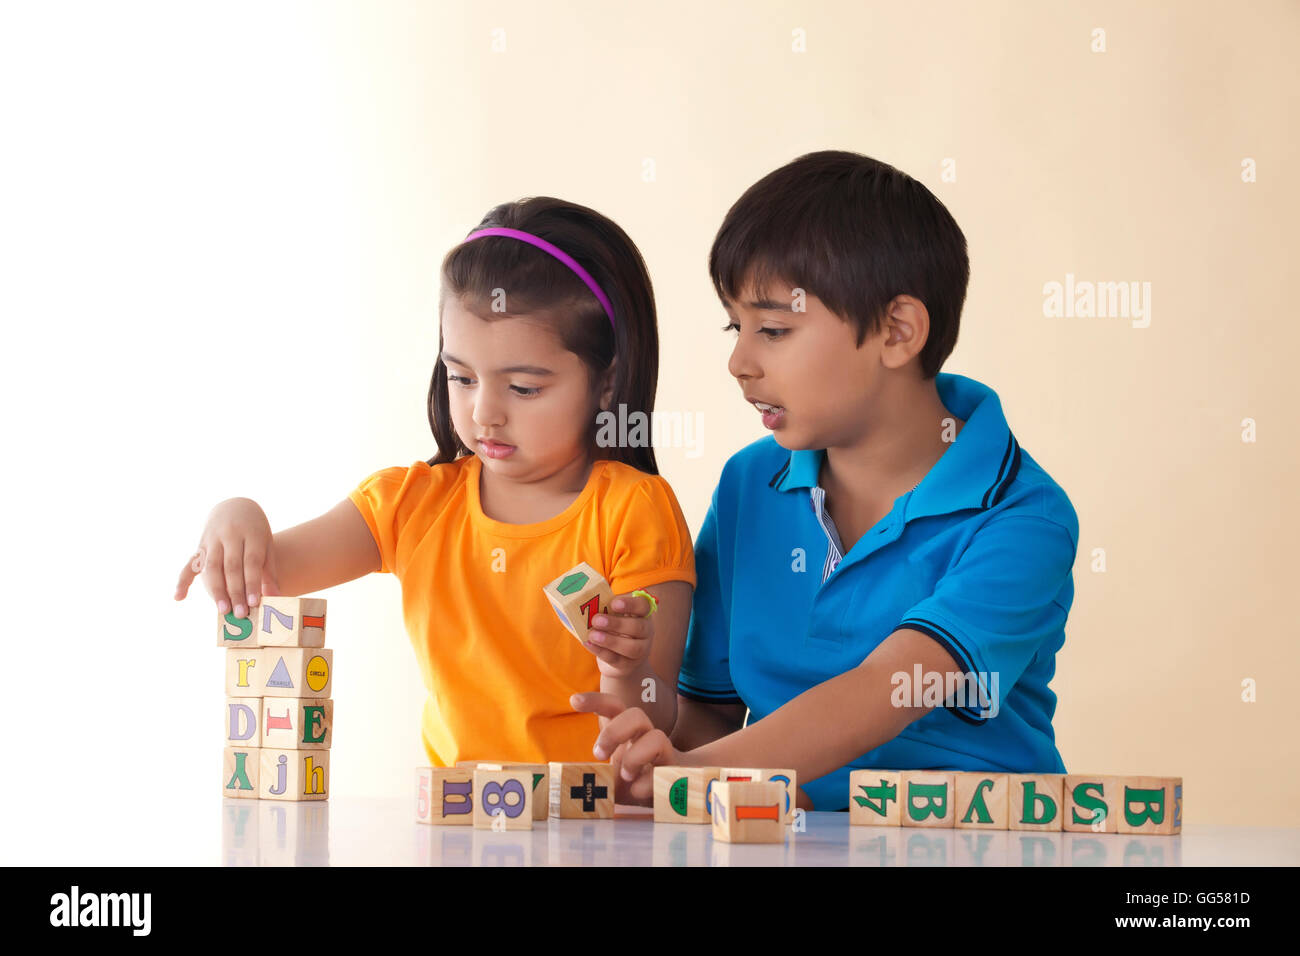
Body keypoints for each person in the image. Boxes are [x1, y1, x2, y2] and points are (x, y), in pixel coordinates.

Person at [575, 151, 1079, 811]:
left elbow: (885, 690)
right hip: (785, 838)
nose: (738, 361)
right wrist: (643, 702)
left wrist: (689, 777)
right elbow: (710, 719)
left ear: (897, 332)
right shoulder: (749, 485)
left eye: (774, 329)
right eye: (737, 326)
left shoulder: (1021, 517)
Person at [176, 196, 696, 771]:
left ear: (607, 382)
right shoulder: (410, 505)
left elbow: (652, 724)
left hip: (598, 838)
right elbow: (269, 574)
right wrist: (235, 514)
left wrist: (625, 671)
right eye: (461, 376)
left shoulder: (635, 510)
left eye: (523, 388)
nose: (484, 414)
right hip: (454, 829)